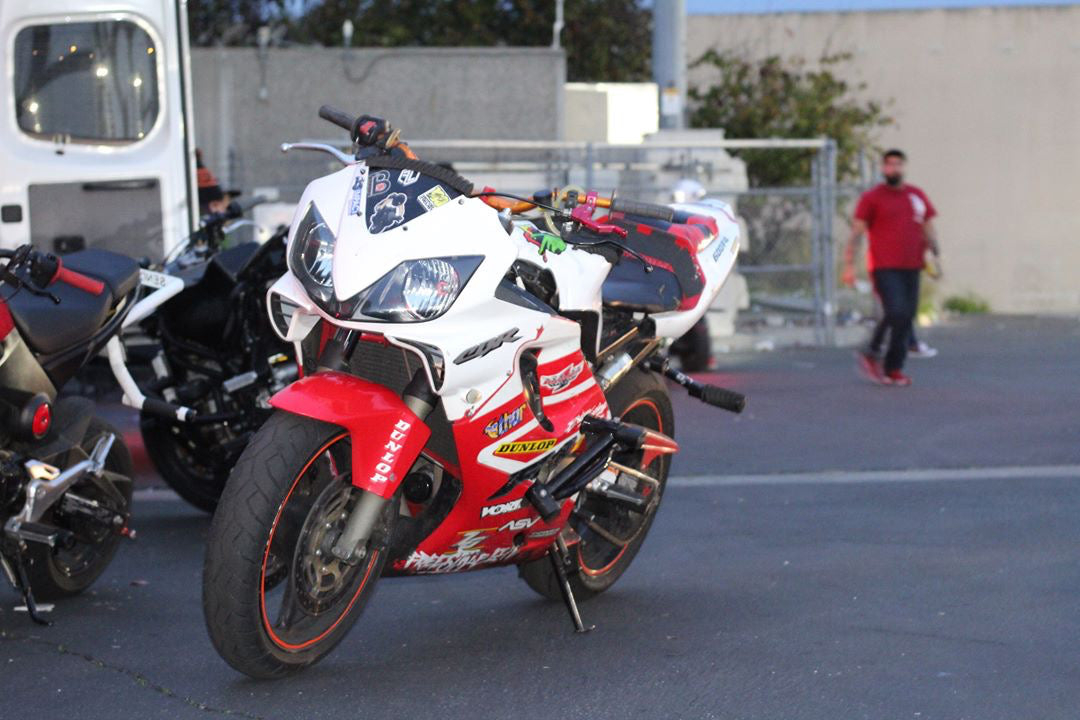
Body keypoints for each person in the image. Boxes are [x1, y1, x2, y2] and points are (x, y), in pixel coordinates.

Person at [843, 149, 940, 386]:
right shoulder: (872, 198)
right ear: (883, 168)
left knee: (906, 317)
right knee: (896, 312)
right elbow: (857, 233)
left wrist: (935, 254)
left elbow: (927, 225)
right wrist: (849, 265)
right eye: (889, 164)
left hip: (912, 264)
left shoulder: (915, 195)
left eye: (897, 164)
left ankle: (892, 368)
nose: (893, 168)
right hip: (884, 266)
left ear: (904, 167)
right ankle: (874, 350)